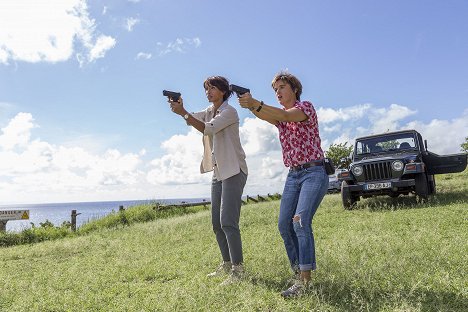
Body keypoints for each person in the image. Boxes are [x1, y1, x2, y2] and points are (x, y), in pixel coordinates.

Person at [237, 72, 328, 298]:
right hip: (293, 175)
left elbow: (281, 114)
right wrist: (250, 104)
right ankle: (298, 275)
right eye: (275, 90)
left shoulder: (305, 108)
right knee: (284, 226)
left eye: (282, 87)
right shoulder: (279, 116)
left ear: (294, 89)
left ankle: (305, 284)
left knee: (299, 222)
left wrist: (255, 103)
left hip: (314, 172)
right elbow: (268, 114)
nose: (278, 92)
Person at [168, 76, 248, 286]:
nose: (208, 91)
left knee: (228, 222)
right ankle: (227, 263)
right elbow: (196, 118)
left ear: (223, 91)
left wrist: (184, 113)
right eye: (206, 88)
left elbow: (207, 128)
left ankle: (238, 270)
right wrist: (181, 109)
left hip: (234, 170)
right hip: (218, 172)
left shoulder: (229, 111)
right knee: (216, 223)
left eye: (212, 88)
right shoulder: (210, 111)